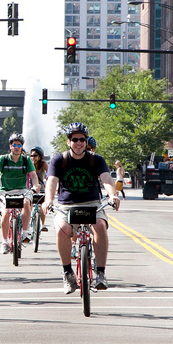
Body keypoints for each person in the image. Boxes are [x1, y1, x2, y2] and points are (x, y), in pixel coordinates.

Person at [42, 122, 120, 293]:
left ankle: (100, 274)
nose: (79, 143)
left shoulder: (96, 159)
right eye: (75, 139)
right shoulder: (59, 160)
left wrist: (112, 194)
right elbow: (52, 181)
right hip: (67, 205)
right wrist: (48, 200)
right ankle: (67, 273)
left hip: (92, 203)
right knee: (62, 229)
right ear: (68, 141)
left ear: (86, 142)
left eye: (82, 140)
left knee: (99, 226)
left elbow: (106, 178)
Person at [0, 133, 42, 252]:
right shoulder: (3, 159)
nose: (16, 147)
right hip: (5, 191)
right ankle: (4, 242)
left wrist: (36, 185)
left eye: (19, 145)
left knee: (26, 203)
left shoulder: (26, 160)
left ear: (21, 147)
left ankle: (25, 233)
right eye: (14, 144)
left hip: (22, 190)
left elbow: (33, 175)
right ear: (10, 146)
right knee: (6, 212)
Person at [29, 146, 49, 231]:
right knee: (29, 204)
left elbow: (49, 176)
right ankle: (29, 223)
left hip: (41, 188)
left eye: (35, 155)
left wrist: (49, 187)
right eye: (32, 156)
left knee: (42, 206)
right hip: (30, 188)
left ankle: (42, 224)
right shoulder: (28, 164)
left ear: (40, 156)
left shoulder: (43, 165)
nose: (33, 158)